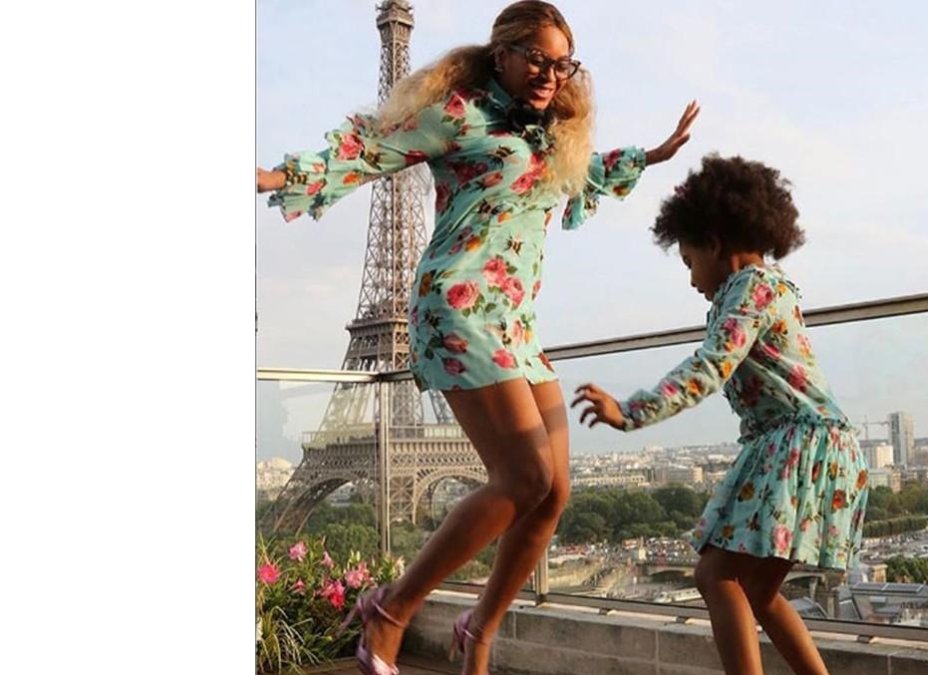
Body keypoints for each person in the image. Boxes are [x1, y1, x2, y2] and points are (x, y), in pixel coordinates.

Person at [256, 2, 699, 674]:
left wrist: (655, 154)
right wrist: (277, 176)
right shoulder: (461, 113)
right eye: (538, 59)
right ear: (503, 54)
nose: (551, 75)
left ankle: (478, 629)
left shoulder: (553, 136)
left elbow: (588, 173)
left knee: (553, 495)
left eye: (563, 64)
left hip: (515, 320)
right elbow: (372, 147)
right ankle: (392, 610)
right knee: (524, 475)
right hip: (457, 305)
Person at [572, 154, 868, 675]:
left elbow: (711, 366)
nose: (690, 280)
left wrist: (630, 411)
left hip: (794, 443)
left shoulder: (749, 289)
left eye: (688, 261)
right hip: (814, 443)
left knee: (713, 576)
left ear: (713, 242)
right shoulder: (767, 286)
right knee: (756, 588)